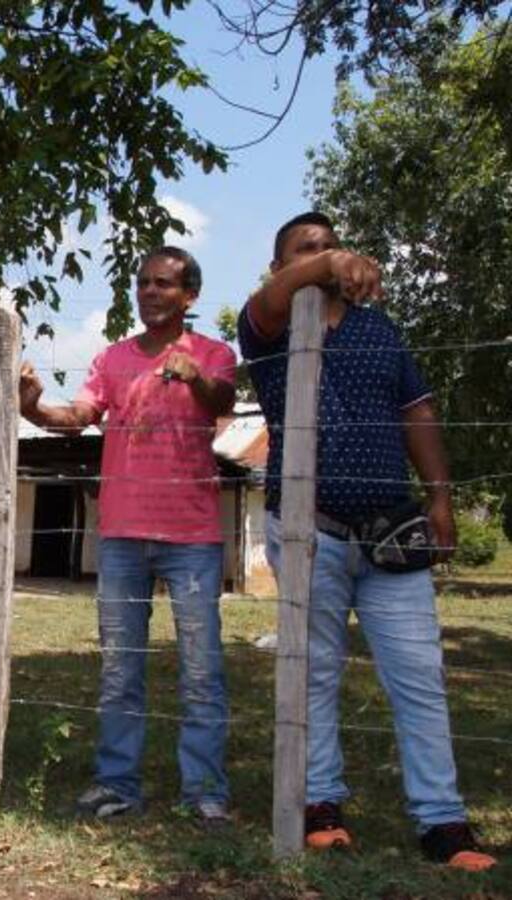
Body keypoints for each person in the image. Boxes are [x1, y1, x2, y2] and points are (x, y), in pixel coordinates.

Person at [238, 211, 495, 871]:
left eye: (331, 246)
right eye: (307, 250)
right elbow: (267, 303)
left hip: (391, 531)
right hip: (308, 532)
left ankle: (443, 824)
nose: (325, 256)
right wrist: (325, 268)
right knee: (314, 672)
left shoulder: (381, 329)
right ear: (280, 267)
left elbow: (419, 411)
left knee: (419, 677)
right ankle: (322, 806)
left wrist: (440, 495)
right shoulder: (268, 330)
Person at [20, 247, 237, 825]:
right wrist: (36, 408)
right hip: (120, 534)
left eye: (163, 284)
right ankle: (117, 782)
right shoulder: (113, 359)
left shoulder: (214, 354)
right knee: (120, 667)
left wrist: (194, 377)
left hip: (192, 536)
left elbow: (226, 401)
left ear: (189, 296)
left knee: (201, 668)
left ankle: (205, 791)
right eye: (142, 283)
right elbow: (81, 412)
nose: (149, 292)